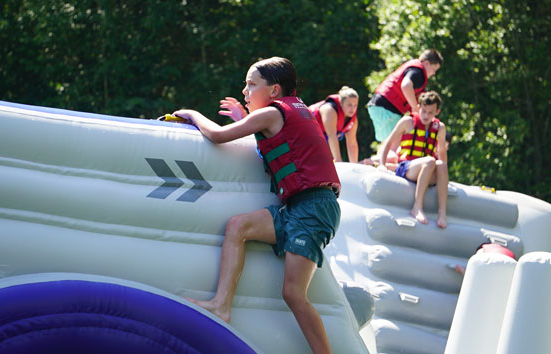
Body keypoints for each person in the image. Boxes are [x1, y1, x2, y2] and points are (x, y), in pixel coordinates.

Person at [174, 57, 341, 354]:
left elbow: (217, 135)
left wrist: (191, 114)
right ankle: (221, 305)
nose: (245, 90)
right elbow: (277, 138)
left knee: (292, 293)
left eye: (252, 84)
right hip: (299, 207)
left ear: (274, 90)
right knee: (238, 226)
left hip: (314, 207)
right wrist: (245, 116)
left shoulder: (273, 114)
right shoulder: (290, 111)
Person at [378, 91, 448, 228]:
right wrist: (382, 164)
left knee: (441, 164)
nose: (426, 115)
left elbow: (442, 153)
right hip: (407, 167)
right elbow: (389, 142)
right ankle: (417, 206)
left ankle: (442, 212)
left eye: (431, 112)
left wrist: (443, 177)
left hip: (428, 169)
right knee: (430, 161)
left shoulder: (440, 128)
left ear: (437, 112)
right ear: (418, 107)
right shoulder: (407, 122)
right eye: (424, 111)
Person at [367, 49, 443, 143]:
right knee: (392, 146)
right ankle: (368, 159)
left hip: (382, 106)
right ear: (426, 63)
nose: (434, 73)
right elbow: (406, 85)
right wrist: (415, 108)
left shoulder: (416, 72)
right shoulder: (418, 72)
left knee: (390, 144)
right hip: (387, 108)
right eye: (434, 69)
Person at [308, 86, 359, 162]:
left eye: (355, 105)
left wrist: (355, 166)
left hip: (322, 136)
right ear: (341, 103)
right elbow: (331, 135)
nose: (353, 109)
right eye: (349, 105)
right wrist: (338, 160)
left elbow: (352, 144)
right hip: (307, 132)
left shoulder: (353, 119)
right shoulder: (329, 109)